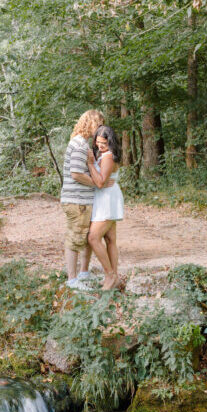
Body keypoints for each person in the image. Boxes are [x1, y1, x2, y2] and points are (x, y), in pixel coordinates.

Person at [60, 109, 106, 290]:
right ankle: (72, 280)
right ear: (91, 124)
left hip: (83, 201)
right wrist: (96, 184)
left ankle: (83, 274)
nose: (100, 130)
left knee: (87, 238)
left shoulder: (82, 144)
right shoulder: (79, 145)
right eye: (99, 125)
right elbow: (76, 174)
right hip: (77, 202)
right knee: (75, 237)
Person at [87, 125, 125, 290]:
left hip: (107, 199)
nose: (100, 145)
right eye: (98, 141)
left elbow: (101, 182)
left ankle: (110, 275)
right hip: (106, 197)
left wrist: (90, 164)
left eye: (104, 143)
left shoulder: (108, 157)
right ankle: (113, 277)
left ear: (111, 142)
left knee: (93, 238)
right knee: (110, 240)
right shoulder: (105, 155)